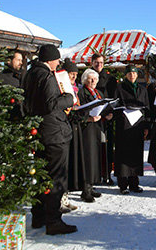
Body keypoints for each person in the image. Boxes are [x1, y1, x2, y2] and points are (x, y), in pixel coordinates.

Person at [22, 44, 77, 235]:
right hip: (54, 133)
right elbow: (51, 104)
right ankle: (54, 221)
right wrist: (69, 98)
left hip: (39, 132)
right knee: (57, 177)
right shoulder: (46, 76)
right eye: (57, 60)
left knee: (41, 176)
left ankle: (38, 216)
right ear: (50, 60)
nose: (58, 63)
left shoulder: (29, 74)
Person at [110, 64, 150, 194]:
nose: (132, 75)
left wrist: (146, 127)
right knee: (123, 155)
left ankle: (134, 183)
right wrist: (121, 113)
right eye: (129, 73)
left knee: (136, 154)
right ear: (125, 75)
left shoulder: (142, 90)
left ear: (137, 75)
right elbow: (115, 106)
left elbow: (147, 109)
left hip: (137, 125)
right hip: (124, 126)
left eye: (134, 73)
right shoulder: (119, 88)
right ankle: (123, 185)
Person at [77, 68, 113, 201]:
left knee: (96, 156)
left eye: (95, 79)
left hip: (99, 127)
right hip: (87, 129)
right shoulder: (81, 93)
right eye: (90, 79)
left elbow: (103, 108)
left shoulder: (99, 92)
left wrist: (108, 114)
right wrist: (89, 118)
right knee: (88, 157)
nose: (93, 81)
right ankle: (85, 189)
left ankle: (91, 185)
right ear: (84, 80)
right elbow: (79, 111)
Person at [89, 53, 117, 186]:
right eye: (96, 62)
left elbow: (114, 98)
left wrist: (110, 114)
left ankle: (107, 174)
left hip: (107, 118)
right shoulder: (88, 77)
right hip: (93, 118)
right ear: (92, 63)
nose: (98, 65)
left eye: (101, 62)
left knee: (108, 147)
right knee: (95, 147)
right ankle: (95, 174)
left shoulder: (110, 79)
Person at [61, 59, 82, 211]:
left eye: (75, 74)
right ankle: (60, 200)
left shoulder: (75, 88)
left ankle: (65, 197)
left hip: (72, 127)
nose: (73, 77)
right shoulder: (61, 87)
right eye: (71, 74)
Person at [0, 51, 25, 119]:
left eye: (21, 60)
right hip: (9, 117)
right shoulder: (0, 78)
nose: (21, 63)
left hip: (24, 117)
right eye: (18, 60)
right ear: (9, 61)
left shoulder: (24, 76)